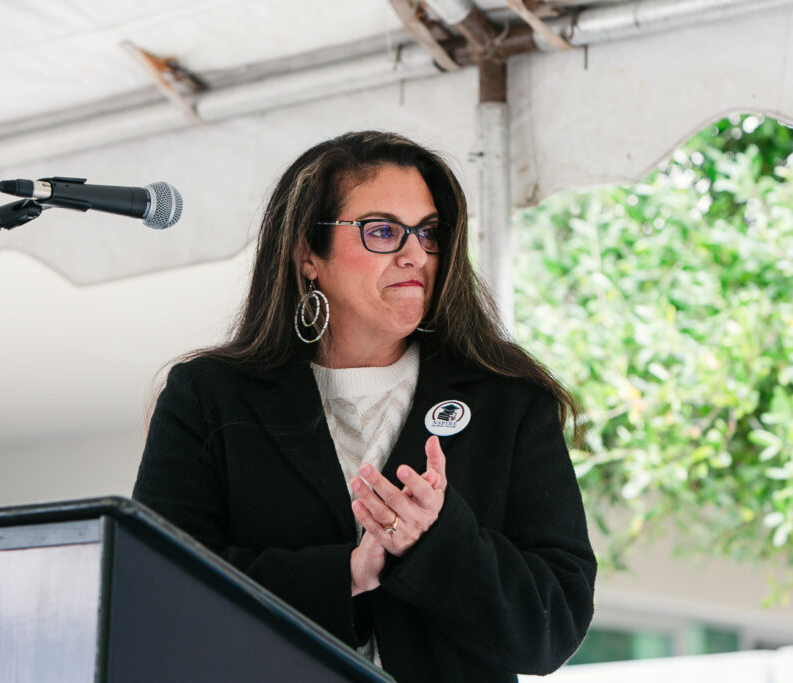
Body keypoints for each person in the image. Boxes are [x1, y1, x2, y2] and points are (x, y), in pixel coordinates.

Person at [133, 131, 596, 682]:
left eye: (429, 233)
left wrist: (436, 541)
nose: (415, 255)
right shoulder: (209, 396)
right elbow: (156, 597)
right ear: (308, 253)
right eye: (381, 231)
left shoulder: (507, 399)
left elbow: (552, 628)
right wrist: (345, 574)